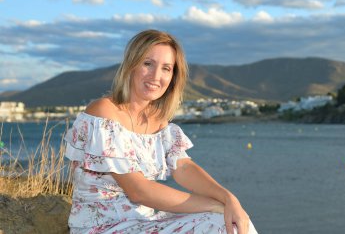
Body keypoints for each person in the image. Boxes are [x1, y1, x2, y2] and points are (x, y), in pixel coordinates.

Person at [64, 29, 258, 234]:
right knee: (222, 219)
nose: (156, 76)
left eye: (166, 68)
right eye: (148, 64)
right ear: (131, 65)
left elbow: (183, 168)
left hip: (145, 223)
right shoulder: (104, 112)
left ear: (173, 76)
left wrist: (229, 199)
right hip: (103, 227)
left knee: (231, 222)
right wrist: (215, 205)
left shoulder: (159, 122)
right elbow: (138, 191)